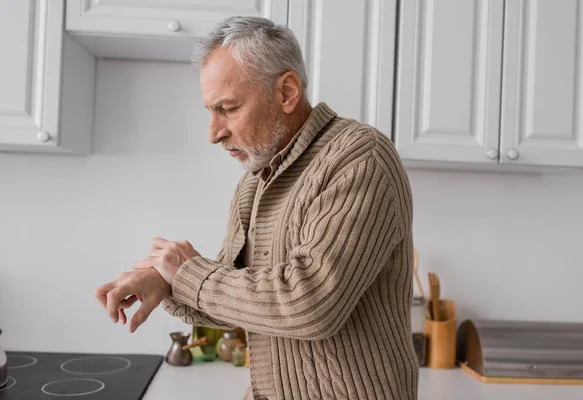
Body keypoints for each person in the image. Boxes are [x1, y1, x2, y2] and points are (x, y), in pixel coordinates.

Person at [94, 16, 418, 400]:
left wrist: (188, 273)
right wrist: (165, 282)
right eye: (210, 111)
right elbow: (236, 299)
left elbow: (309, 302)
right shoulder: (255, 180)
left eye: (227, 108)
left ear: (286, 92)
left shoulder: (360, 158)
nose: (213, 133)